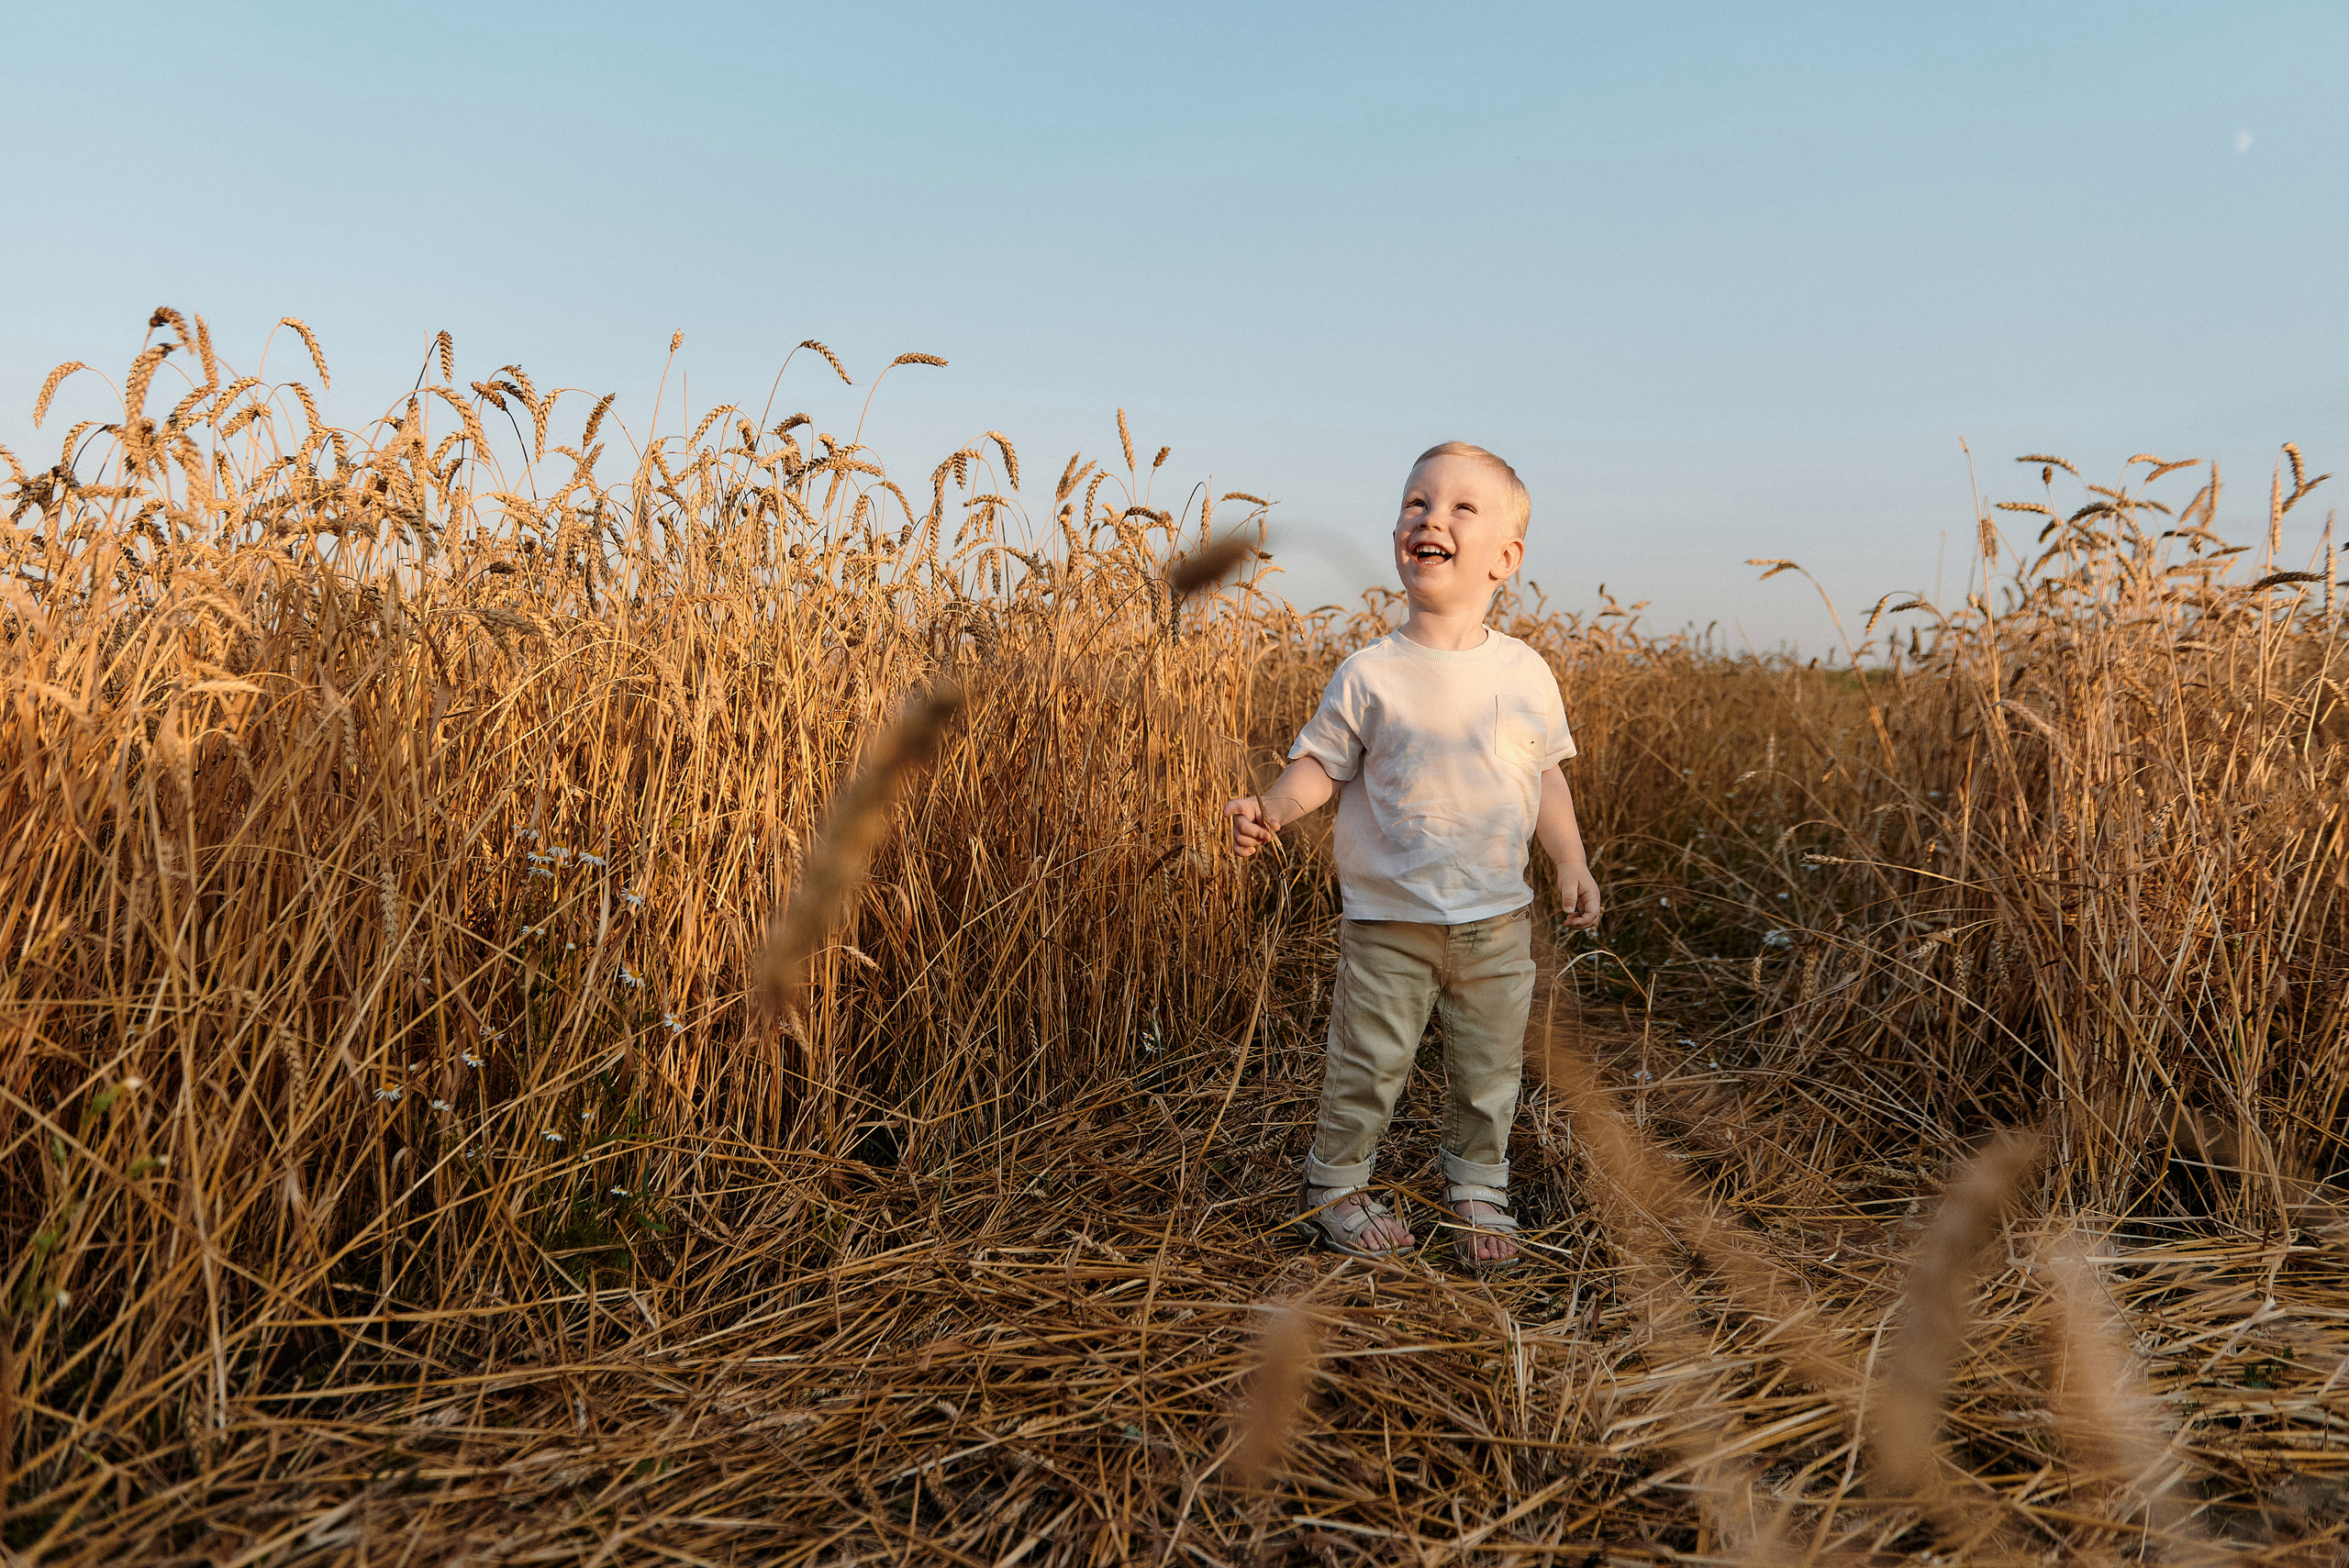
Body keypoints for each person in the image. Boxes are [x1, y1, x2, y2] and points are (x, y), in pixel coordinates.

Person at [1225, 442, 1602, 1267]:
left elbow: (1545, 779)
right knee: (1368, 1062)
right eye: (1416, 502)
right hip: (1389, 918)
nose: (1431, 517)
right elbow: (1319, 766)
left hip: (1496, 919)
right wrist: (1275, 808)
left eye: (1462, 507)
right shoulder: (1371, 674)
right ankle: (1337, 1184)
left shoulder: (1527, 672)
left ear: (1506, 557)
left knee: (1488, 1067)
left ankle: (1476, 1183)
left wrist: (1570, 861)